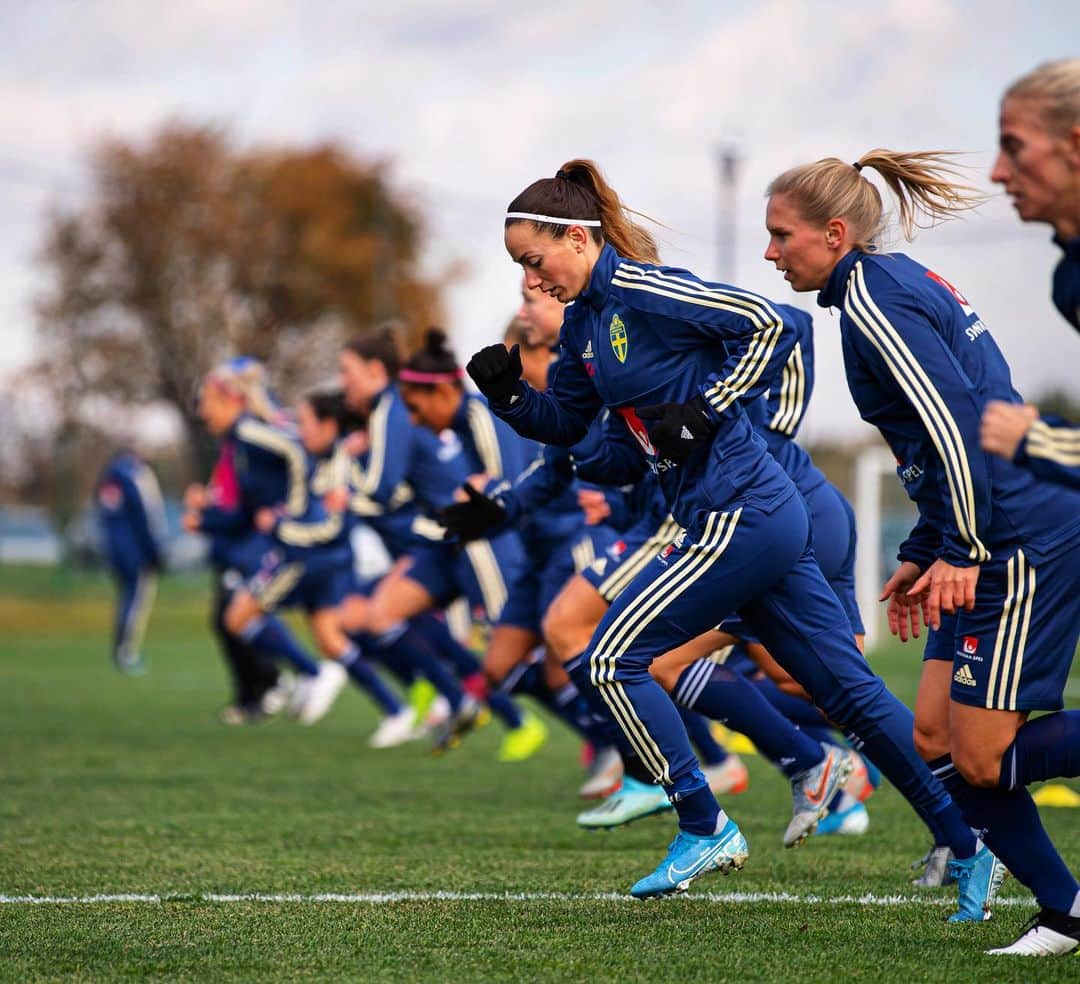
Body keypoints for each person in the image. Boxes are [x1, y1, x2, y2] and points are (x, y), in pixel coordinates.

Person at [468, 159, 997, 913]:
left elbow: (774, 324)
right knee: (845, 692)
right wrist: (513, 397)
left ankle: (702, 820)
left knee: (613, 658)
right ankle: (973, 847)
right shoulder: (586, 324)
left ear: (577, 239)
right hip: (738, 516)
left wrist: (707, 410)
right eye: (520, 267)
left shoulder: (641, 288)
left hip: (742, 511)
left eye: (535, 259)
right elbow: (582, 436)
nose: (531, 278)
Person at [763, 148, 1080, 955]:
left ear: (833, 234)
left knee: (981, 759)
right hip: (983, 527)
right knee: (935, 742)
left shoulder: (873, 296)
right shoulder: (885, 284)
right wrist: (928, 545)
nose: (771, 253)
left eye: (781, 236)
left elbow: (958, 424)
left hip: (1018, 533)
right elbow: (951, 422)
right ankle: (1067, 910)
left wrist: (966, 549)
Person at [183, 358, 344, 725]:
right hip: (268, 540)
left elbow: (301, 451)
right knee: (238, 616)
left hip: (283, 541)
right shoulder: (238, 442)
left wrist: (301, 508)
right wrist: (206, 515)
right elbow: (242, 505)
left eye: (207, 399)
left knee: (242, 613)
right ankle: (296, 678)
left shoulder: (253, 432)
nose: (202, 409)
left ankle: (298, 677)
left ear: (231, 398)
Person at [980, 58, 1080, 489]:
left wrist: (1036, 440)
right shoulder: (1068, 279)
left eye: (1014, 147)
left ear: (1074, 146)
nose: (997, 172)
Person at [95, 449, 166, 674]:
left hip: (114, 549)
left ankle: (122, 649)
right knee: (136, 599)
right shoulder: (135, 477)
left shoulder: (108, 478)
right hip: (135, 550)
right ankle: (126, 652)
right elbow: (145, 517)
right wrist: (154, 552)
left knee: (126, 598)